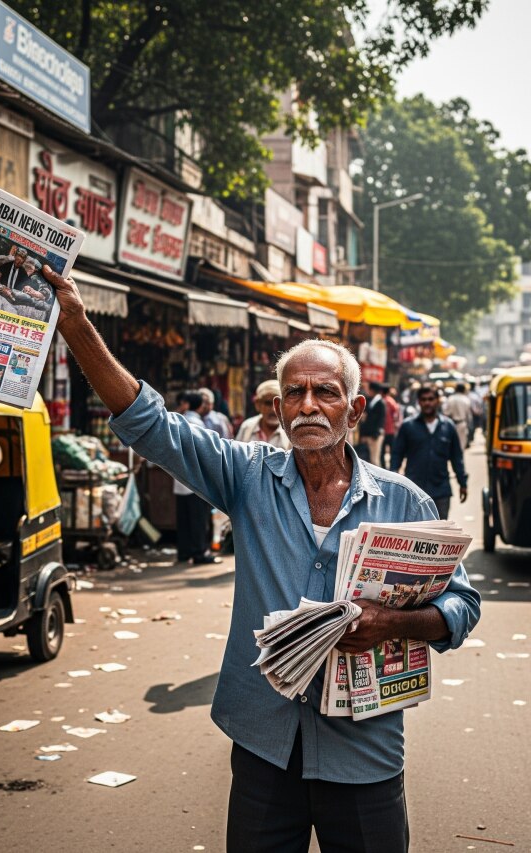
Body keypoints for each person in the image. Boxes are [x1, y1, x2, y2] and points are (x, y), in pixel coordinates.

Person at [43, 265, 480, 853]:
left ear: (354, 411)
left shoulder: (405, 502)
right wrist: (75, 325)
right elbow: (149, 425)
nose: (307, 405)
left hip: (364, 751)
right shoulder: (247, 477)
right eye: (293, 392)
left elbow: (462, 603)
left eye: (325, 392)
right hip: (263, 744)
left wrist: (393, 624)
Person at [391, 384, 468, 520]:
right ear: (419, 402)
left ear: (437, 400)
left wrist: (463, 483)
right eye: (424, 399)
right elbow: (397, 454)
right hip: (414, 491)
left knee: (439, 533)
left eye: (431, 399)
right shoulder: (408, 426)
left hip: (441, 490)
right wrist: (392, 482)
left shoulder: (448, 426)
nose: (427, 403)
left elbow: (457, 457)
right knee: (415, 535)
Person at [172, 391, 221, 566]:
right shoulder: (197, 423)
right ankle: (200, 552)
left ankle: (184, 553)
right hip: (195, 479)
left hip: (179, 478)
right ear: (200, 406)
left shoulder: (179, 420)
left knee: (184, 520)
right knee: (198, 520)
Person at [235, 379, 290, 448]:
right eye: (268, 403)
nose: (273, 410)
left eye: (278, 404)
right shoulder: (247, 427)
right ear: (258, 405)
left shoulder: (290, 431)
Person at [358, 380, 385, 466]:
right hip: (368, 434)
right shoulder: (370, 400)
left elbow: (380, 420)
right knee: (368, 459)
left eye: (368, 389)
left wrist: (376, 434)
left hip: (374, 436)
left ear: (372, 390)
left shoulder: (380, 403)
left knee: (374, 460)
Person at [442, 382, 472, 449]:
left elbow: (445, 412)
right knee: (461, 445)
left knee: (451, 445)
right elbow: (468, 416)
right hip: (462, 424)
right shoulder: (466, 399)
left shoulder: (450, 398)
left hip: (451, 423)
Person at [381, 384, 402, 468]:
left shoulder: (383, 400)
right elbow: (396, 415)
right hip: (391, 430)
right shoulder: (391, 401)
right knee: (392, 450)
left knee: (382, 452)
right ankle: (392, 467)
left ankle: (383, 468)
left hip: (384, 430)